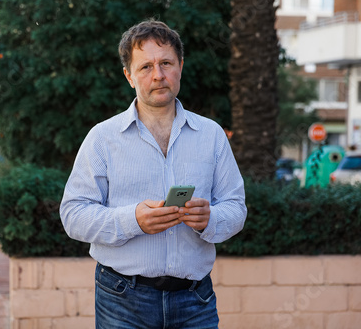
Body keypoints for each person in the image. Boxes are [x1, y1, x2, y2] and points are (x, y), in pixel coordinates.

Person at [60, 19, 247, 329]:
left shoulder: (211, 135)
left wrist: (210, 219)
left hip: (194, 300)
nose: (158, 75)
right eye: (145, 67)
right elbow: (73, 215)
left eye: (166, 63)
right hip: (121, 299)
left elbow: (236, 207)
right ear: (129, 76)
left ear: (181, 67)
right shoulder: (102, 138)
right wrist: (133, 220)